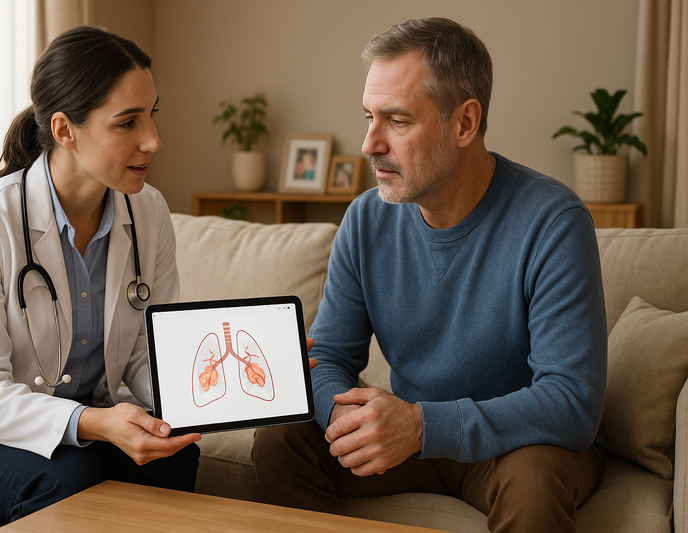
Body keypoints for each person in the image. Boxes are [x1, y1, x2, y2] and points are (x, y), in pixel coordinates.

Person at [253, 17, 607, 533]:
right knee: (282, 437)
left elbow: (571, 401)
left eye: (396, 121)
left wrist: (422, 427)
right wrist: (346, 420)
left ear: (464, 123)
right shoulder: (367, 218)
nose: (370, 143)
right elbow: (327, 355)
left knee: (534, 480)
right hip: (410, 440)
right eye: (369, 117)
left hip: (517, 444)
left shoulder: (553, 222)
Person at [0, 26, 201, 532]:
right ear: (64, 130)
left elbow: (147, 352)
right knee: (66, 478)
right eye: (127, 122)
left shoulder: (148, 210)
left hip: (76, 415)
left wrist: (219, 386)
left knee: (173, 459)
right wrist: (97, 423)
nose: (154, 140)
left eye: (152, 114)